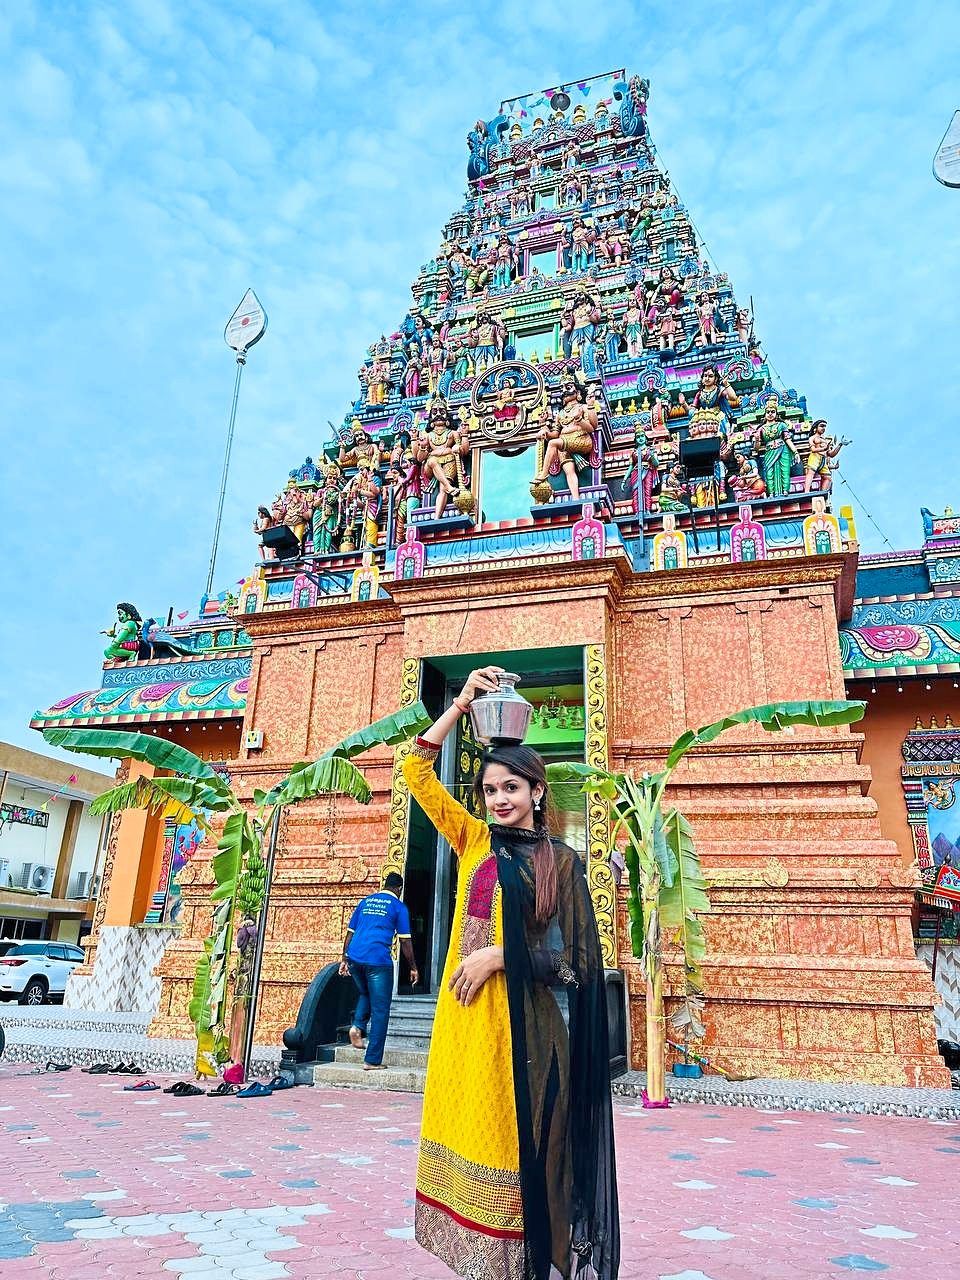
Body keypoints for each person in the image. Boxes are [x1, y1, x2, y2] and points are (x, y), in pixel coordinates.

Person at [403, 666, 619, 1280]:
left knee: (520, 1146)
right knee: (467, 1134)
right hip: (464, 1026)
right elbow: (414, 772)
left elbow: (580, 965)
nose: (499, 800)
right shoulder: (473, 842)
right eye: (490, 789)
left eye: (511, 789)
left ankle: (520, 1264)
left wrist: (501, 956)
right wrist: (463, 701)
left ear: (536, 792)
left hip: (523, 1031)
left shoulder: (562, 863)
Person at [338, 873, 419, 1071]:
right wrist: (414, 967)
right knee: (381, 1011)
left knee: (365, 993)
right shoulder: (398, 907)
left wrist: (344, 959)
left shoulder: (365, 902)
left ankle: (357, 1027)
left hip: (355, 958)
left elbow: (350, 934)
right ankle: (372, 1060)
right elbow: (405, 940)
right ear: (399, 889)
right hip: (378, 961)